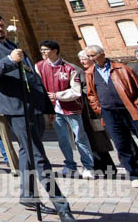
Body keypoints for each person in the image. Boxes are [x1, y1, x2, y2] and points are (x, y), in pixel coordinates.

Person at [0, 13, 75, 222]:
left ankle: (28, 196)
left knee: (27, 152)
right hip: (16, 108)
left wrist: (45, 107)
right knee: (38, 156)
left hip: (33, 106)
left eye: (1, 25)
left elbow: (32, 76)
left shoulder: (13, 45)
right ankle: (61, 205)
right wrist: (10, 60)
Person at [84, 44, 138, 190]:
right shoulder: (90, 72)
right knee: (122, 146)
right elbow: (91, 94)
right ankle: (135, 176)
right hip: (109, 114)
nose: (90, 59)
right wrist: (99, 109)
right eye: (89, 56)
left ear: (102, 54)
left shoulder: (122, 68)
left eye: (93, 55)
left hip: (131, 111)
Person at [35, 40, 96, 180]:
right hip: (54, 110)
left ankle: (88, 167)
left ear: (55, 50)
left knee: (80, 137)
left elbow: (76, 91)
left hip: (71, 107)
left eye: (46, 49)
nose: (43, 52)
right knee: (63, 139)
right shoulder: (39, 66)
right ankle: (70, 165)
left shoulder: (69, 68)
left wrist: (58, 95)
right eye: (41, 50)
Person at [75, 50, 118, 173]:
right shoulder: (84, 72)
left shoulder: (89, 73)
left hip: (93, 112)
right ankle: (101, 167)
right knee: (93, 140)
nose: (82, 61)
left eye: (85, 58)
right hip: (87, 112)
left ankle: (107, 168)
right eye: (81, 59)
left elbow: (89, 91)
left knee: (97, 140)